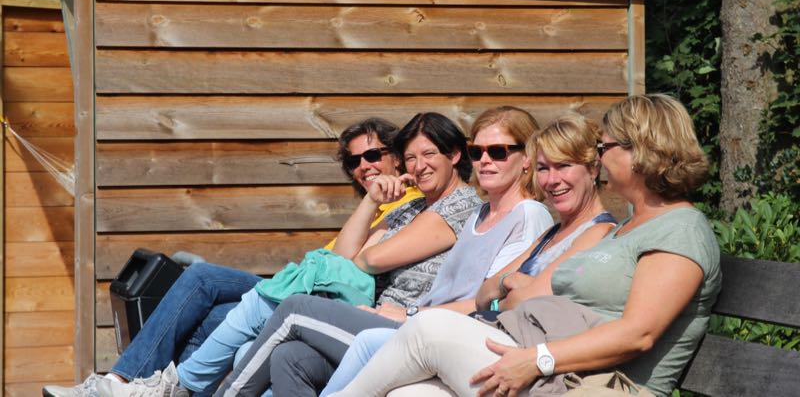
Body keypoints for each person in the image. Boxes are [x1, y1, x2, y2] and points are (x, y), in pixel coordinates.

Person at [330, 94, 721, 397]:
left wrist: (538, 359)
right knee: (412, 394)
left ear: (641, 149)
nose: (600, 158)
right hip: (557, 368)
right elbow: (508, 296)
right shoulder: (628, 229)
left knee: (429, 329)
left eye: (605, 149)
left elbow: (638, 334)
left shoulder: (679, 230)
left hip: (593, 385)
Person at [213, 110, 614, 397]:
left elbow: (497, 301)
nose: (484, 161)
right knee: (290, 355)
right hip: (426, 324)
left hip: (452, 334)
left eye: (497, 152)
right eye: (478, 152)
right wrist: (373, 202)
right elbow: (488, 290)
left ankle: (193, 384)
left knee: (287, 306)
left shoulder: (520, 214)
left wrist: (408, 314)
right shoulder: (477, 213)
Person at [102, 112, 484, 397]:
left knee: (237, 295)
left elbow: (366, 260)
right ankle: (155, 383)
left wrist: (368, 235)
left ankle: (167, 385)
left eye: (426, 154)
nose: (418, 166)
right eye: (412, 157)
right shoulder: (409, 206)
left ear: (454, 154)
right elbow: (350, 256)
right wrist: (371, 201)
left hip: (369, 312)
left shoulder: (453, 205)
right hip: (342, 298)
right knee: (251, 334)